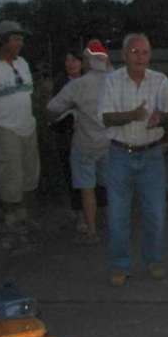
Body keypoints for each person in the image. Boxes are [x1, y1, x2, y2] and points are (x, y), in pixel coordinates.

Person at [98, 33, 168, 287]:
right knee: (118, 215)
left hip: (151, 155)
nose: (140, 57)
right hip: (120, 154)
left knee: (156, 213)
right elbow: (106, 117)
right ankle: (120, 264)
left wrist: (159, 119)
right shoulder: (112, 81)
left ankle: (154, 259)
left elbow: (167, 114)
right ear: (124, 54)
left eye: (144, 52)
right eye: (134, 52)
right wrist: (133, 115)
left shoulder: (160, 80)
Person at [47, 40, 112, 244]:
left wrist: (71, 110)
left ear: (86, 60)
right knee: (109, 184)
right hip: (108, 142)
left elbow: (52, 108)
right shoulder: (116, 80)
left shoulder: (78, 85)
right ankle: (113, 225)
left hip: (85, 143)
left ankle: (92, 231)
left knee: (87, 188)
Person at [0, 20, 40, 250]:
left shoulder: (23, 63)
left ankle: (24, 220)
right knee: (9, 179)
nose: (21, 43)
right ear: (3, 41)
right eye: (16, 38)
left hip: (27, 127)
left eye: (21, 38)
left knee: (29, 177)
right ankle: (11, 225)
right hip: (1, 129)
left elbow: (28, 94)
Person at [50, 48, 85, 230]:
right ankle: (79, 213)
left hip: (90, 137)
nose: (71, 64)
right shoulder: (60, 84)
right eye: (67, 60)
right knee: (73, 176)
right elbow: (54, 111)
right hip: (68, 138)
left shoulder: (91, 81)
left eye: (74, 60)